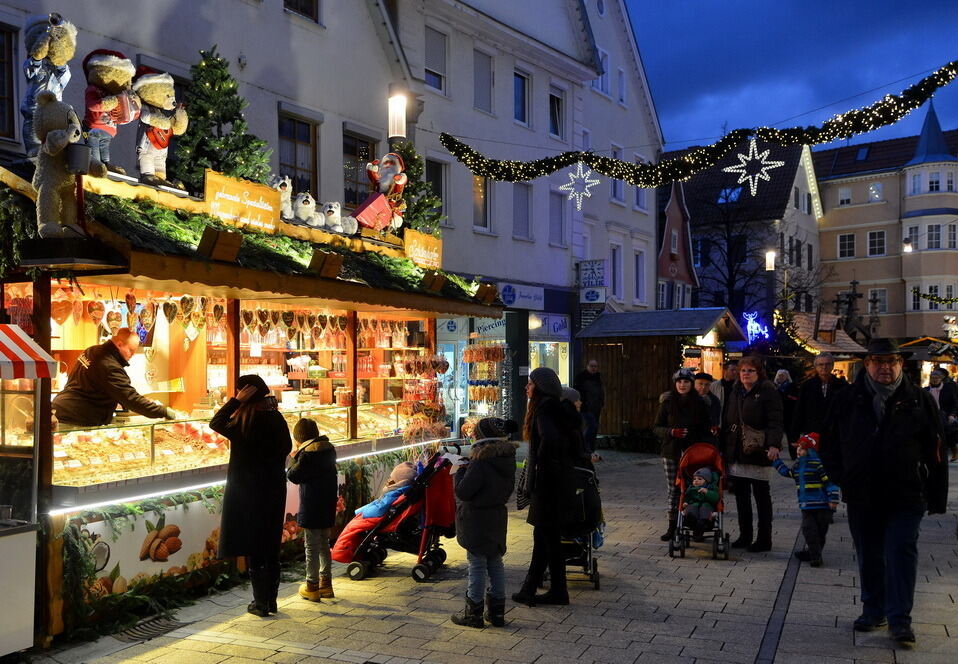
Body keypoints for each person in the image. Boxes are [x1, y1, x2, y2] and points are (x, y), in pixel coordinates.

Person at [820, 339, 948, 647]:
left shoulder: (918, 399)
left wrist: (936, 496)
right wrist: (844, 478)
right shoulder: (847, 399)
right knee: (870, 554)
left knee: (901, 551)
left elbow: (937, 448)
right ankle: (873, 610)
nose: (885, 367)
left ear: (901, 364)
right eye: (878, 361)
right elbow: (828, 444)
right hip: (863, 493)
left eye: (891, 361)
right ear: (867, 365)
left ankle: (900, 620)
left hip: (907, 493)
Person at [210, 375, 292, 617]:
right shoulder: (276, 419)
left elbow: (215, 422)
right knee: (270, 544)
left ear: (245, 395)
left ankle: (260, 602)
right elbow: (286, 448)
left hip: (247, 492)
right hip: (274, 488)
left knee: (254, 546)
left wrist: (235, 401)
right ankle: (271, 601)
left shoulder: (244, 423)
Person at [513, 367, 580, 607]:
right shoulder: (559, 408)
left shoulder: (545, 409)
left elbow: (550, 440)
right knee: (544, 536)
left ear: (539, 386)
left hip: (549, 483)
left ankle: (555, 592)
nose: (527, 387)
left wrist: (541, 467)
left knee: (547, 536)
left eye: (530, 383)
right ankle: (532, 589)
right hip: (559, 480)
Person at [450, 417, 518, 629]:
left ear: (480, 437)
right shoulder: (507, 458)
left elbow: (464, 491)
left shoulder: (480, 462)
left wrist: (459, 471)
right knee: (495, 562)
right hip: (497, 516)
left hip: (477, 518)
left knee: (477, 564)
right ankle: (497, 613)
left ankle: (474, 613)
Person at [51, 328, 177, 426]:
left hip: (61, 409)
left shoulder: (92, 350)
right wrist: (163, 412)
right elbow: (131, 399)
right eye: (131, 351)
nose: (132, 355)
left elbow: (94, 386)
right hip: (75, 418)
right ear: (120, 344)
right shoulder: (110, 367)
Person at [722, 355, 782, 553]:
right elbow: (728, 419)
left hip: (757, 450)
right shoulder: (736, 391)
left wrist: (774, 444)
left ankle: (764, 539)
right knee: (741, 496)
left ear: (758, 373)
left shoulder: (767, 391)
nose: (746, 374)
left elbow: (775, 420)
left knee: (761, 497)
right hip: (738, 450)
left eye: (750, 370)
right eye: (743, 370)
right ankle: (745, 535)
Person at [653, 368, 711, 542]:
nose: (682, 385)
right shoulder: (668, 402)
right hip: (671, 452)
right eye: (679, 381)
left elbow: (705, 428)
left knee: (693, 488)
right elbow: (656, 427)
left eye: (686, 381)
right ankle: (672, 525)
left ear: (691, 383)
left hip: (693, 453)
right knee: (674, 490)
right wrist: (671, 432)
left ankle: (696, 524)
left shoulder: (700, 403)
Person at [286, 418, 338, 602]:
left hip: (312, 505)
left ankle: (312, 586)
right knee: (324, 543)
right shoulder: (328, 449)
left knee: (311, 546)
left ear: (298, 438)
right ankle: (326, 585)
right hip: (327, 504)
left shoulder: (307, 454)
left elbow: (293, 475)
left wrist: (293, 457)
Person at [772, 433, 839, 567]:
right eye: (798, 448)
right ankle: (815, 557)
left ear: (811, 451)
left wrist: (833, 499)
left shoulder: (819, 465)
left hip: (822, 506)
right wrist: (776, 461)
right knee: (809, 530)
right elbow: (788, 473)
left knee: (820, 532)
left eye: (801, 449)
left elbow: (829, 482)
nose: (798, 451)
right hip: (807, 507)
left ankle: (813, 552)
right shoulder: (798, 466)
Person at [791, 353, 848, 459]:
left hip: (834, 433)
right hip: (812, 432)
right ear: (816, 366)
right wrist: (794, 436)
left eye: (827, 364)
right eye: (821, 364)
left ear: (832, 365)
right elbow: (799, 411)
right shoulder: (807, 386)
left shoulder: (842, 386)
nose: (824, 367)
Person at [925, 368, 958, 462]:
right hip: (931, 415)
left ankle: (953, 449)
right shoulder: (926, 390)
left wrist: (952, 415)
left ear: (941, 379)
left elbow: (954, 403)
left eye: (937, 378)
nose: (934, 380)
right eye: (932, 378)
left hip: (945, 415)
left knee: (947, 433)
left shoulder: (948, 389)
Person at [573, 359, 604, 457]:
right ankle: (585, 448)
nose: (594, 368)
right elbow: (577, 392)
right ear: (587, 366)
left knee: (593, 429)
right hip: (586, 407)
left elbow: (600, 391)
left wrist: (601, 402)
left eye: (595, 366)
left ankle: (590, 449)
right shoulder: (581, 377)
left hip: (596, 407)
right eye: (592, 366)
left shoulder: (597, 377)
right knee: (591, 426)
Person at [683, 467, 719, 542]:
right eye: (694, 479)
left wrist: (707, 492)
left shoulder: (711, 488)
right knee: (692, 507)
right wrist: (686, 502)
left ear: (707, 481)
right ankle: (690, 519)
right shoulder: (691, 489)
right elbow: (687, 497)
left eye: (699, 479)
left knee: (705, 507)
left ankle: (704, 522)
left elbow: (716, 498)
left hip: (706, 507)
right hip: (694, 506)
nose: (696, 480)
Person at [694, 372, 721, 442]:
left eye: (707, 385)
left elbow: (716, 419)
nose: (703, 387)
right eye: (700, 383)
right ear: (694, 384)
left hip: (707, 438)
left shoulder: (714, 400)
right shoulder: (688, 398)